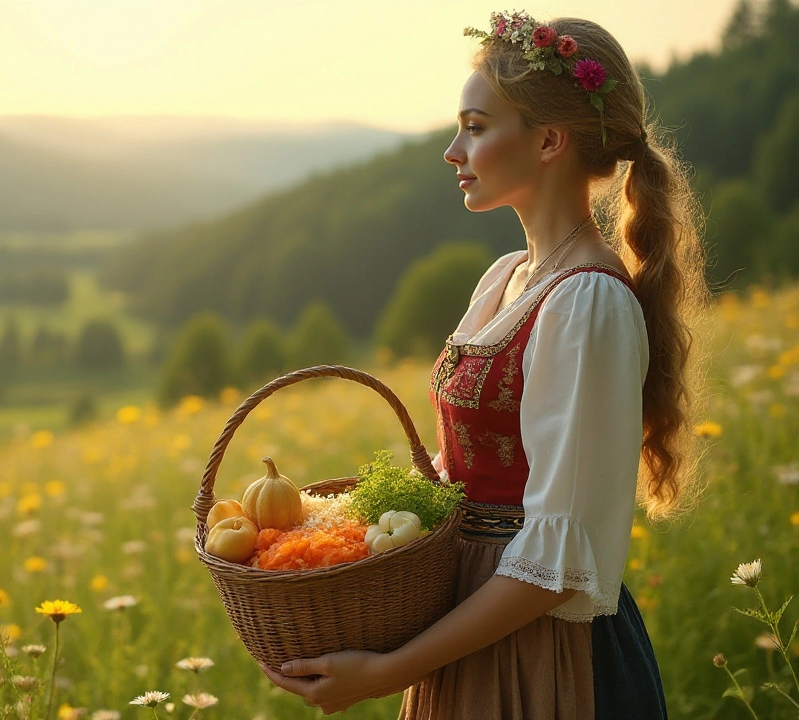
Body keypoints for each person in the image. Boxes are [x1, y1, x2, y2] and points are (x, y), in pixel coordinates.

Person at [259, 11, 711, 718]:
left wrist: (387, 671)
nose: (452, 150)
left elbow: (556, 567)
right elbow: (464, 472)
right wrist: (342, 533)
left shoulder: (585, 302)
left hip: (543, 659)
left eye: (474, 126)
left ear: (551, 140)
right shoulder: (506, 277)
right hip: (467, 631)